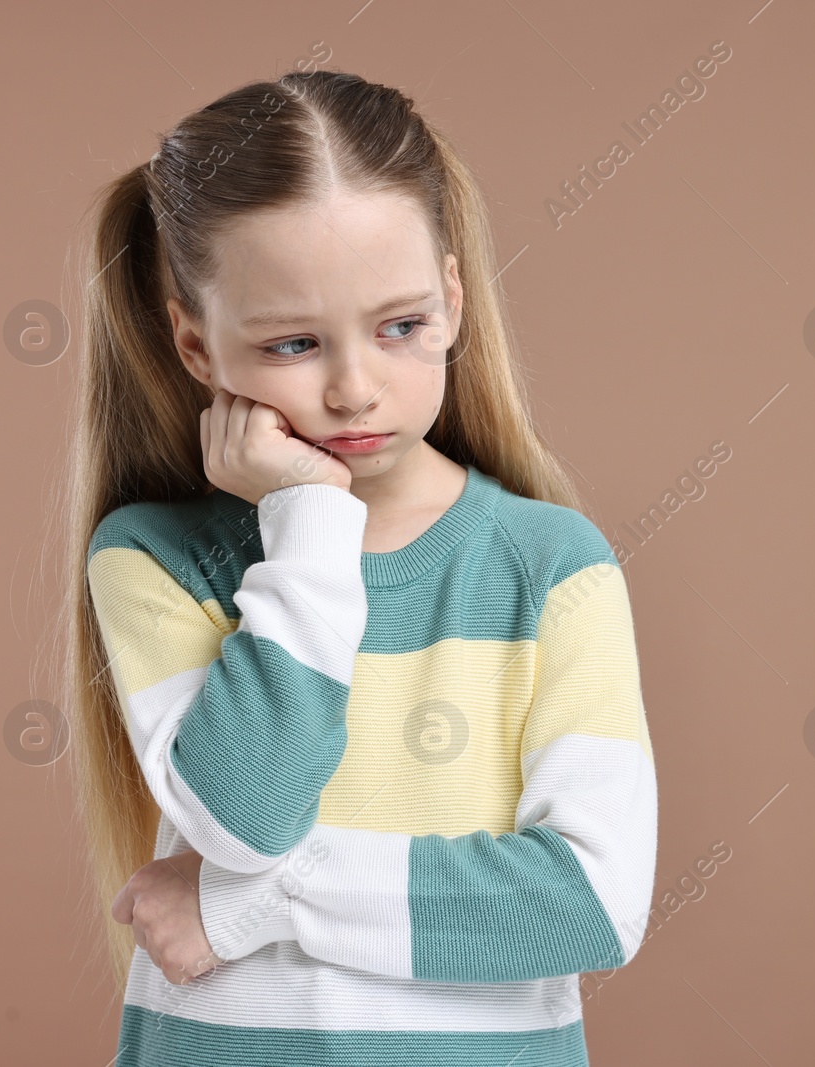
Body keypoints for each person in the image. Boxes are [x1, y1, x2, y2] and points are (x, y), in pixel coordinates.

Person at [59, 69, 657, 1067]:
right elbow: (250, 817)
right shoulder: (154, 556)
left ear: (453, 300)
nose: (352, 388)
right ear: (196, 345)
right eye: (293, 341)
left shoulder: (553, 568)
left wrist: (246, 902)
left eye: (400, 327)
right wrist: (306, 523)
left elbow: (589, 906)